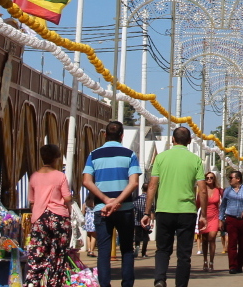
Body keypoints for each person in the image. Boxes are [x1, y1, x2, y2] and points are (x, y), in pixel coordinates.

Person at [141, 127, 204, 287]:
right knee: (184, 254)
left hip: (164, 210)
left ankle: (160, 279)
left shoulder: (161, 158)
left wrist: (147, 212)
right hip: (187, 211)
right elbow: (202, 189)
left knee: (162, 249)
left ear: (172, 139)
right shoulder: (195, 160)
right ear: (189, 141)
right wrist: (203, 214)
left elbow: (152, 186)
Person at [82, 120, 142, 287]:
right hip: (125, 209)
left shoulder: (93, 155)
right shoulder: (130, 155)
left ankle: (104, 284)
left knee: (103, 250)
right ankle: (127, 284)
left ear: (105, 135)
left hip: (102, 208)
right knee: (127, 249)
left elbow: (86, 181)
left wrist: (106, 200)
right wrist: (117, 201)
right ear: (122, 136)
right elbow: (134, 183)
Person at [26, 144, 72, 287]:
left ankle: (32, 282)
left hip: (39, 218)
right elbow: (67, 197)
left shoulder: (34, 176)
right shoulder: (60, 176)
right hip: (59, 217)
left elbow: (32, 201)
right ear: (56, 158)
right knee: (58, 253)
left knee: (38, 252)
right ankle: (54, 282)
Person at [219, 169, 243, 274]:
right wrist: (220, 219)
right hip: (231, 219)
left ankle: (240, 265)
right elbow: (223, 206)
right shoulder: (227, 191)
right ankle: (233, 266)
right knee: (232, 243)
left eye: (231, 178)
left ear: (238, 179)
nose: (230, 180)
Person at [198, 172, 222, 272]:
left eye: (211, 177)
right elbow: (197, 204)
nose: (209, 179)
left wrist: (221, 219)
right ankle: (205, 261)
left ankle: (211, 262)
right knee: (204, 240)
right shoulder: (201, 191)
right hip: (204, 217)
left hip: (215, 217)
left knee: (212, 238)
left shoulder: (218, 190)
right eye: (207, 178)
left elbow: (222, 205)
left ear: (214, 179)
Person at [133, 185, 150, 258]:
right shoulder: (149, 199)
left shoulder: (136, 199)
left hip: (137, 220)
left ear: (142, 189)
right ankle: (143, 253)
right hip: (146, 221)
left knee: (137, 236)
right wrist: (151, 221)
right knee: (145, 237)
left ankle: (137, 246)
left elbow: (133, 209)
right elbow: (151, 210)